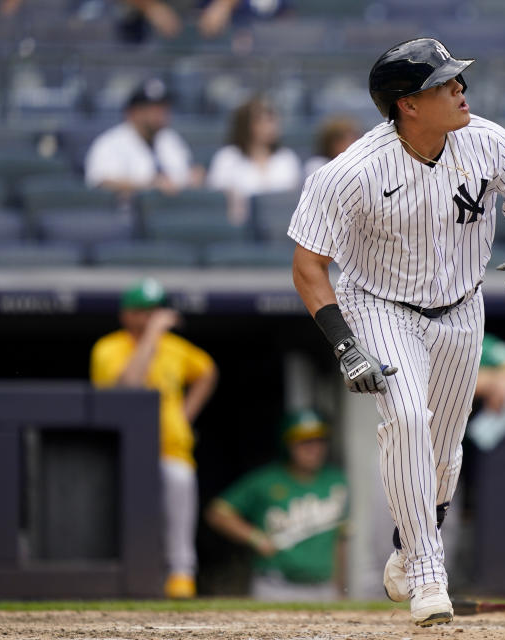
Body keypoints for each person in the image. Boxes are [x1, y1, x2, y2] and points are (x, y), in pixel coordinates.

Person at [288, 38, 505, 626]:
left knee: (444, 452)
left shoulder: (483, 138)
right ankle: (426, 574)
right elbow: (308, 266)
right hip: (381, 305)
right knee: (408, 419)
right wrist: (345, 344)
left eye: (458, 80)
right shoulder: (353, 171)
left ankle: (407, 544)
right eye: (445, 83)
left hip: (463, 308)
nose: (461, 89)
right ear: (407, 104)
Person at [90, 278, 218, 598]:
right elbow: (130, 384)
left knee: (179, 490)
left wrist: (185, 416)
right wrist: (154, 334)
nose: (150, 317)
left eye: (155, 310)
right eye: (142, 311)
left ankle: (181, 575)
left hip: (171, 448)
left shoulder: (175, 348)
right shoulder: (108, 347)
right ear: (126, 315)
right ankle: (129, 576)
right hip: (123, 449)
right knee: (128, 516)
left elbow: (207, 372)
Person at [205, 410, 349, 600]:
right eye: (304, 442)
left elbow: (340, 540)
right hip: (276, 586)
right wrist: (255, 537)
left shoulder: (336, 480)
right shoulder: (266, 479)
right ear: (288, 445)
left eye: (319, 440)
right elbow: (217, 512)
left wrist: (340, 587)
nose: (313, 448)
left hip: (323, 588)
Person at [84, 78, 204, 197]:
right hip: (125, 214)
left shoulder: (170, 138)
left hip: (170, 213)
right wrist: (151, 185)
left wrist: (194, 176)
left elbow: (188, 173)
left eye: (163, 108)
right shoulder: (110, 143)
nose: (161, 114)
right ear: (133, 112)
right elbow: (102, 182)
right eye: (153, 109)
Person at [207, 96, 303, 224]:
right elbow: (216, 200)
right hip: (242, 228)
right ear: (246, 125)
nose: (269, 126)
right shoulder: (227, 158)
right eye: (261, 121)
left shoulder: (287, 158)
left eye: (272, 120)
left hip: (282, 227)